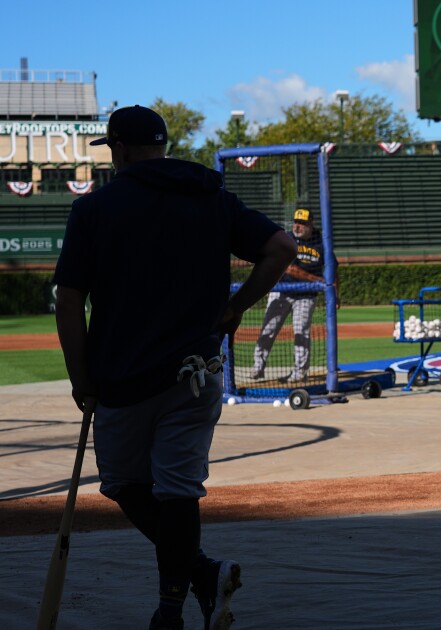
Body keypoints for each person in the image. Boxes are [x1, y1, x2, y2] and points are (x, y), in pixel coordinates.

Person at [53, 105, 296, 629]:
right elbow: (281, 247)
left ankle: (176, 605)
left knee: (123, 484)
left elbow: (69, 301)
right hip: (198, 371)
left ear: (117, 150)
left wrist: (81, 380)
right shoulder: (211, 196)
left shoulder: (96, 208)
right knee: (179, 489)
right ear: (162, 146)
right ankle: (192, 588)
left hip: (122, 377)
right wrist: (237, 306)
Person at [250, 208, 339, 383]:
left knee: (301, 332)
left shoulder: (321, 242)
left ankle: (299, 372)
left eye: (303, 223)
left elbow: (333, 268)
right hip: (282, 292)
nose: (298, 226)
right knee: (268, 330)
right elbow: (289, 268)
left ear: (311, 224)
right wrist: (318, 280)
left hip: (306, 295)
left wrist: (335, 292)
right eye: (296, 222)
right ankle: (258, 368)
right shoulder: (288, 238)